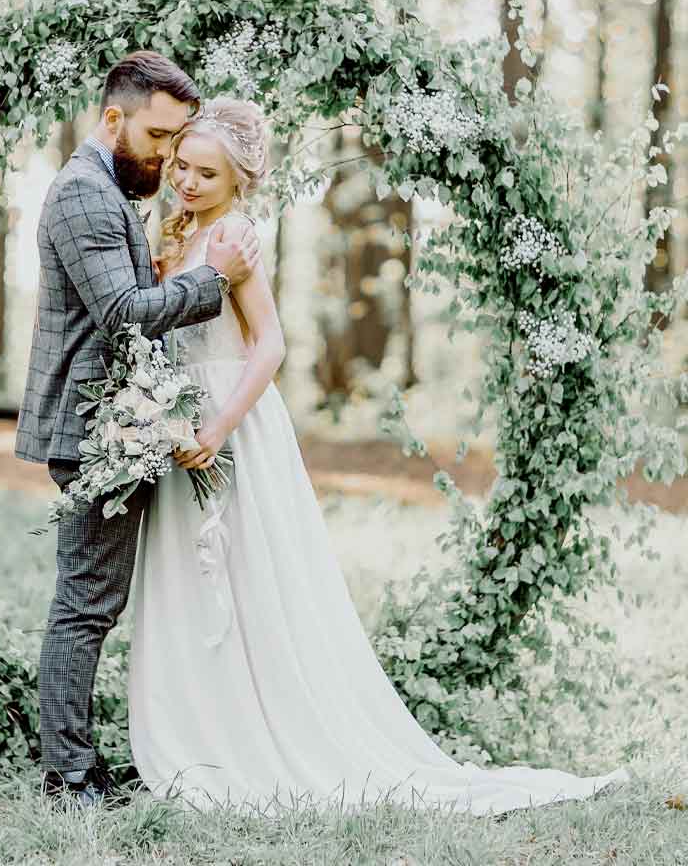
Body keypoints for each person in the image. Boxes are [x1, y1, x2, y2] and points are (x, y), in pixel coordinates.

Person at [126, 96, 631, 817]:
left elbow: (269, 346)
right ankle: (198, 725)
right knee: (190, 582)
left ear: (241, 182)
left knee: (246, 580)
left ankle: (255, 732)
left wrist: (218, 429)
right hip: (175, 423)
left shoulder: (232, 237)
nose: (187, 182)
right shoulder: (172, 231)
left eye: (206, 173)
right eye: (181, 166)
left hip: (230, 424)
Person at [13, 53, 262, 810]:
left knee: (96, 600)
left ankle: (90, 761)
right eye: (158, 136)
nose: (168, 157)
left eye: (179, 139)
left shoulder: (112, 190)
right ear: (113, 117)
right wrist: (213, 278)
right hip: (92, 427)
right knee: (86, 604)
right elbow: (122, 312)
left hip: (118, 420)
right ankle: (71, 777)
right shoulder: (86, 194)